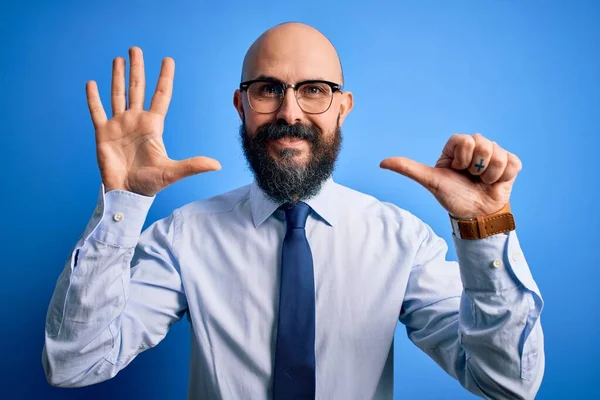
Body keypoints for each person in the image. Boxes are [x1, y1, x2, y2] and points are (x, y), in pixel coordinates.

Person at [42, 22, 544, 399]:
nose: (289, 111)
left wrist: (484, 232)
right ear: (241, 106)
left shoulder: (402, 241)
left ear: (343, 106)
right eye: (268, 89)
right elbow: (74, 364)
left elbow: (505, 383)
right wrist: (123, 203)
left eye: (313, 90)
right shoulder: (182, 238)